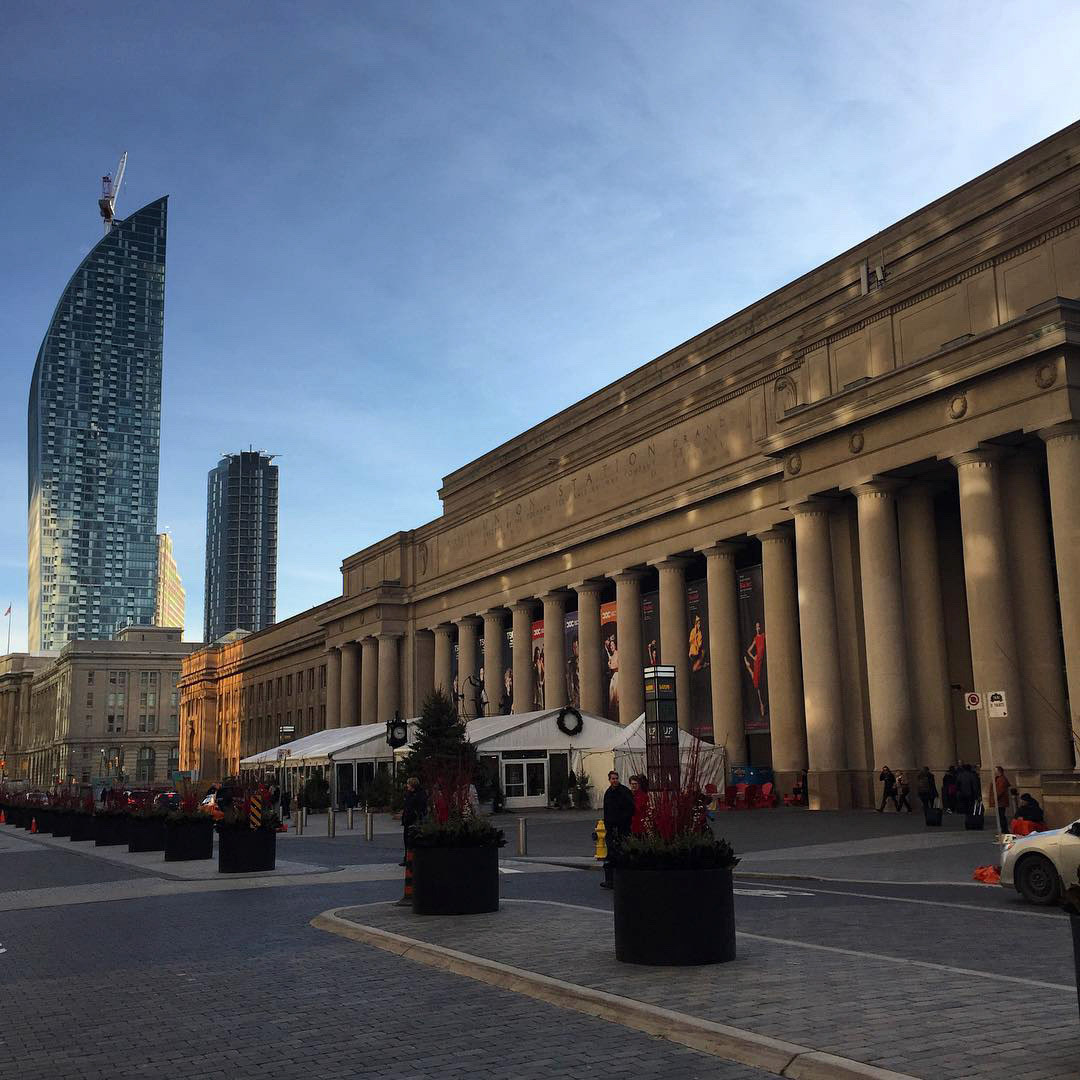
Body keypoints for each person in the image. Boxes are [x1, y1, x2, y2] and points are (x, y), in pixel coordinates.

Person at [600, 770, 634, 889]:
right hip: (611, 828)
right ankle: (609, 880)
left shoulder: (624, 792)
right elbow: (606, 811)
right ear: (609, 780)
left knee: (622, 852)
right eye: (612, 779)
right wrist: (607, 826)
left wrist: (623, 821)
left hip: (622, 827)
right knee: (610, 854)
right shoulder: (608, 793)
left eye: (616, 778)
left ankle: (622, 879)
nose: (615, 780)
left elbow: (630, 809)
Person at [401, 776, 427, 866]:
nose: (407, 786)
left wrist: (417, 817)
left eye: (408, 784)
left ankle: (412, 860)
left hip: (414, 821)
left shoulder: (419, 795)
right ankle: (406, 858)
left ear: (412, 785)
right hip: (407, 820)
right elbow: (407, 806)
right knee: (406, 840)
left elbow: (421, 808)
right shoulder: (409, 794)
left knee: (412, 840)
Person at [743, 622, 766, 719]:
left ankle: (747, 665)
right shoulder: (755, 639)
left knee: (757, 682)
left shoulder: (764, 636)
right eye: (756, 627)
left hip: (762, 661)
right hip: (757, 662)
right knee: (757, 684)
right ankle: (761, 705)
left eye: (759, 626)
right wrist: (754, 658)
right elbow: (748, 651)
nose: (758, 628)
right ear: (755, 629)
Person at [993, 765, 1015, 833]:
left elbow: (1000, 790)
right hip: (1000, 800)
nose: (994, 772)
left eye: (995, 770)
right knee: (1000, 815)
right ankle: (1003, 829)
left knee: (1001, 815)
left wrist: (996, 797)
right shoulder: (999, 778)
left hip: (1001, 801)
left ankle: (1004, 829)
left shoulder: (1002, 779)